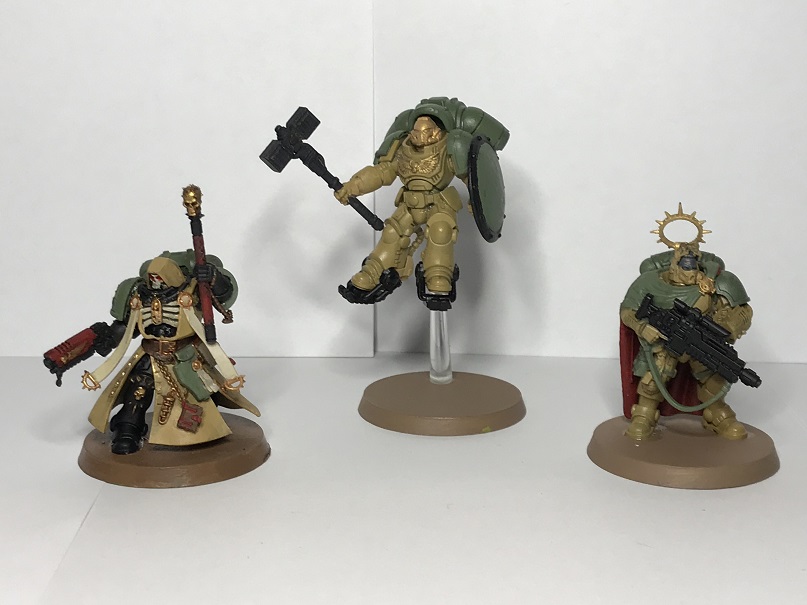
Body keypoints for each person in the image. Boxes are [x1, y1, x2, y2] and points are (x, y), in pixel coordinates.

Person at [619, 206, 753, 440]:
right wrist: (642, 328)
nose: (692, 272)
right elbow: (627, 310)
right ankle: (645, 414)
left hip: (700, 338)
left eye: (695, 265)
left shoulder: (713, 283)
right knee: (658, 368)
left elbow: (741, 311)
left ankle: (716, 413)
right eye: (686, 265)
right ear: (675, 263)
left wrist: (725, 327)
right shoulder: (649, 282)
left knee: (713, 367)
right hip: (662, 339)